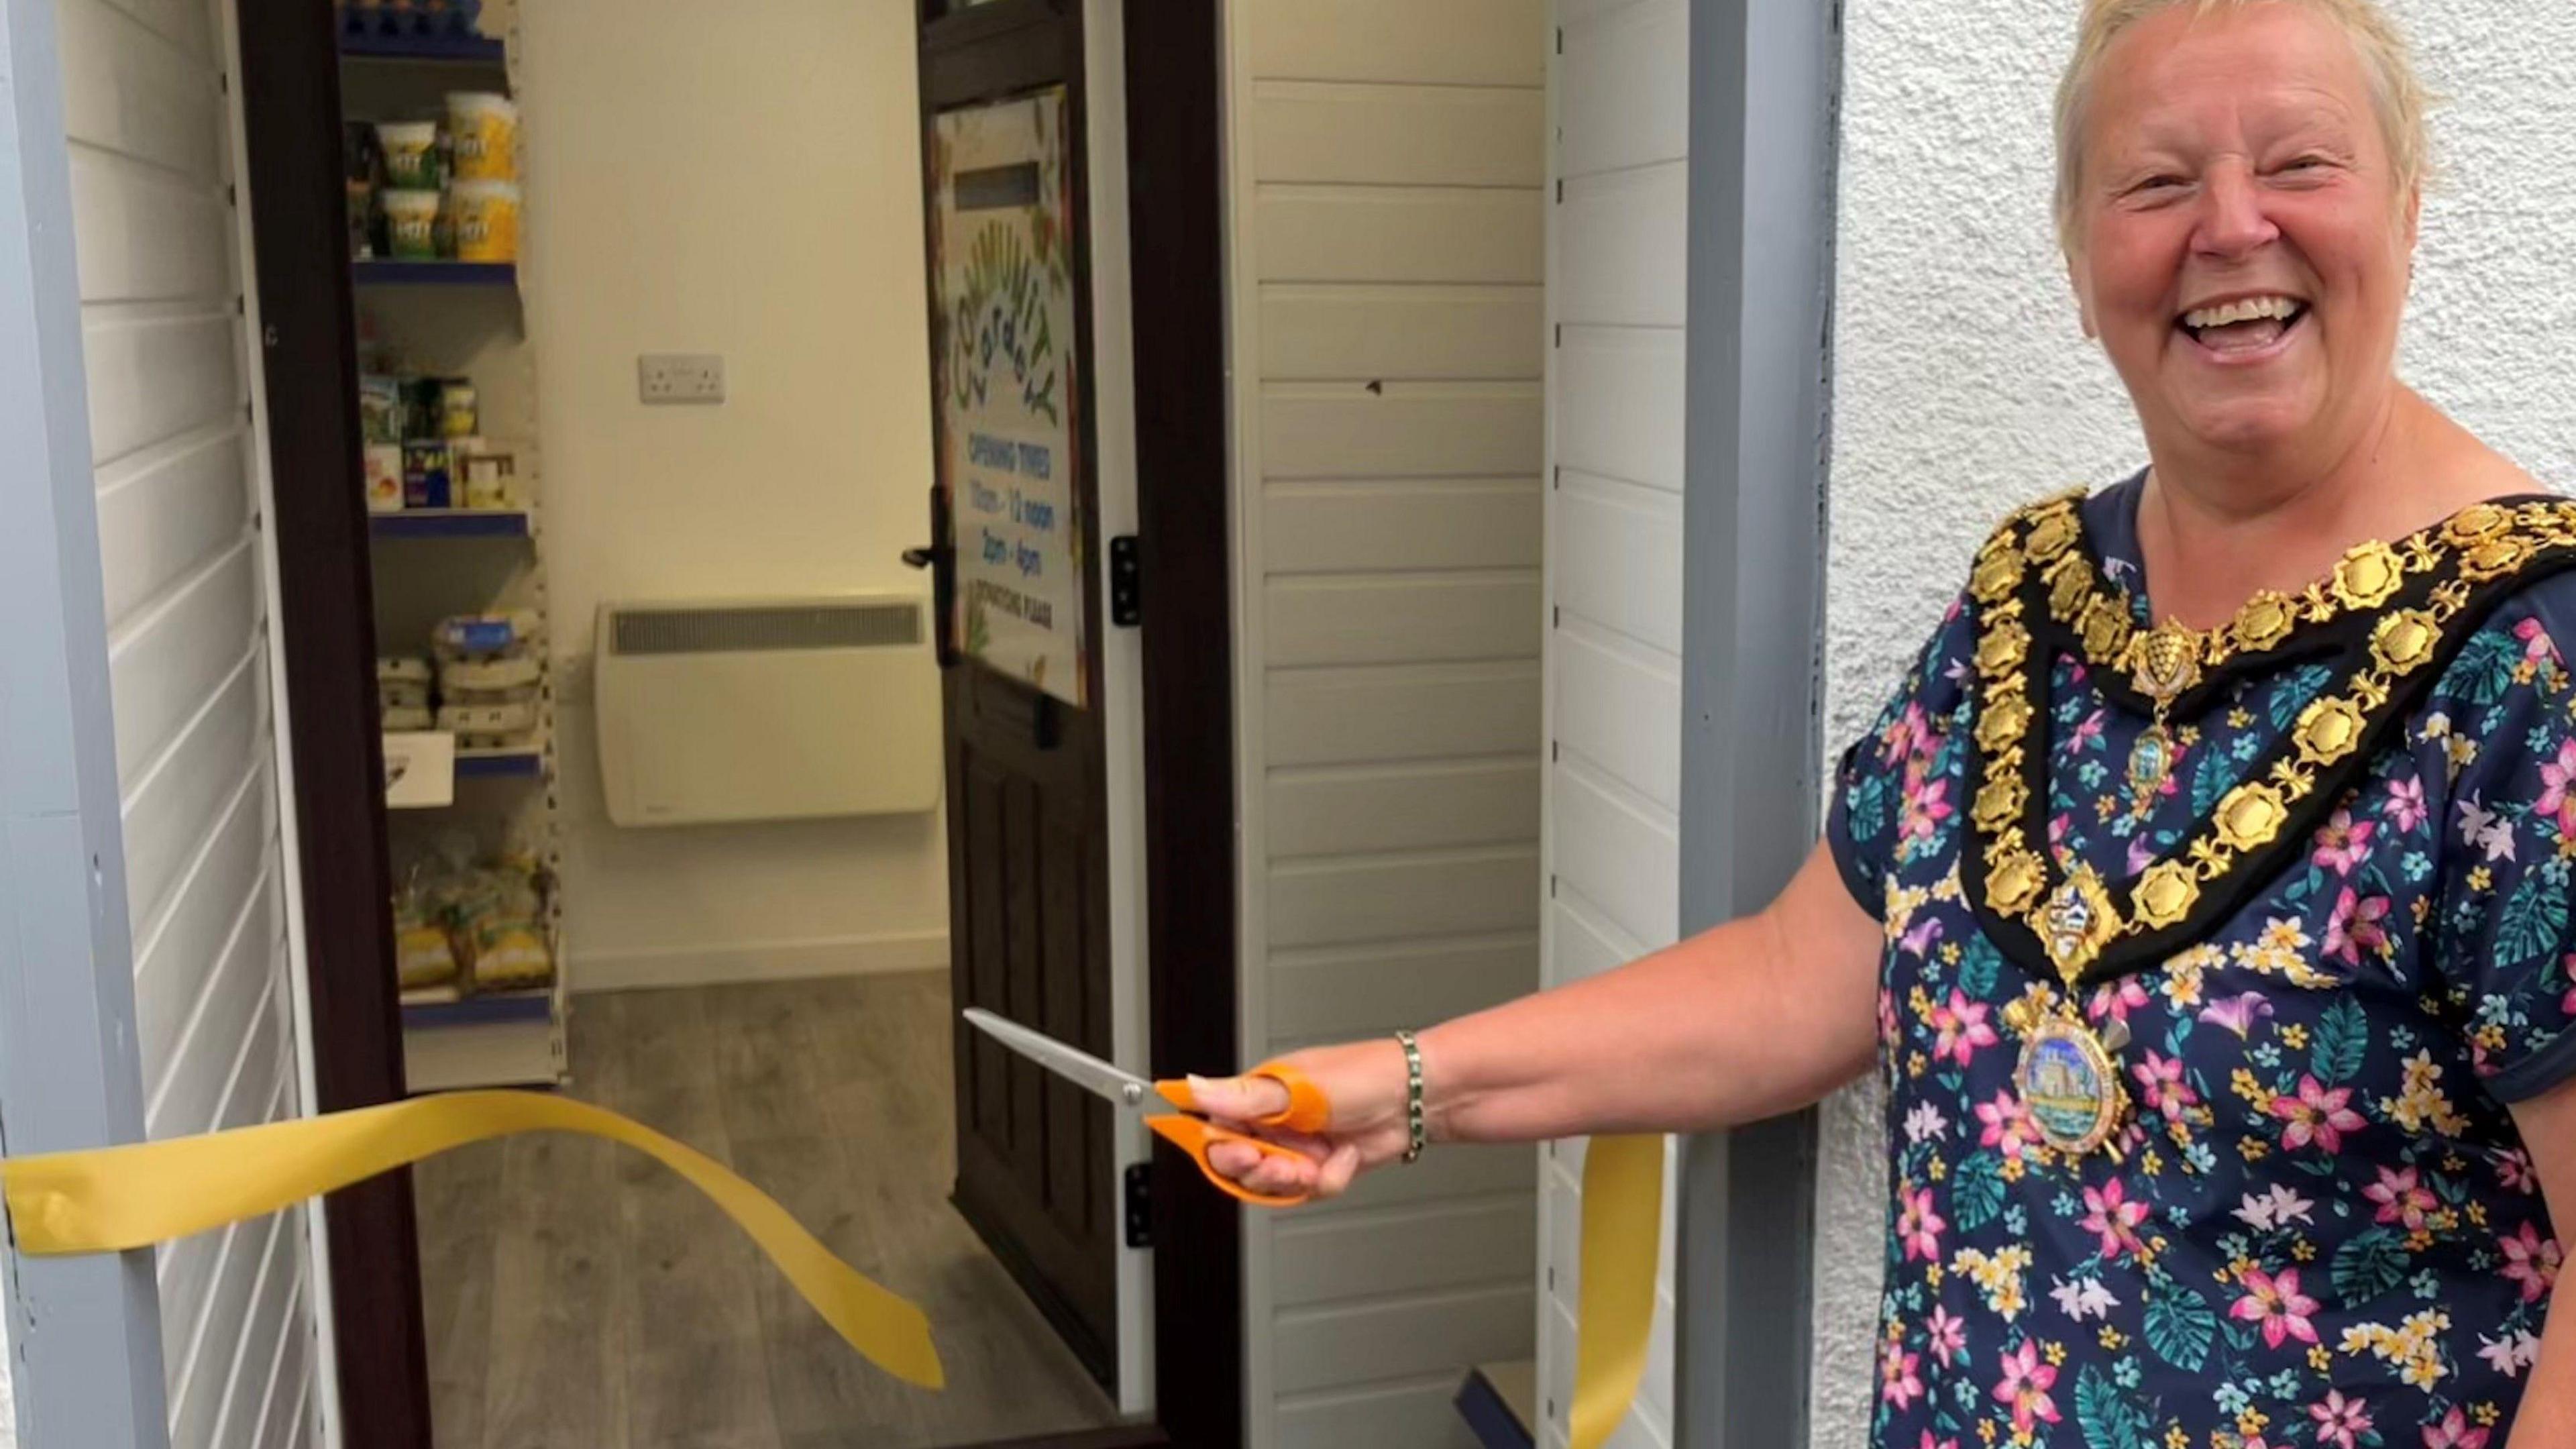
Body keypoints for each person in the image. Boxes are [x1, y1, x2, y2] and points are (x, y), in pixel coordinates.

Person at [1191, 1, 2575, 1443]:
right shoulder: (2034, 607)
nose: (2230, 227)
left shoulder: (2531, 671)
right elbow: (1802, 975)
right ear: (2080, 257)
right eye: (2157, 182)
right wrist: (1402, 1088)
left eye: (2301, 163)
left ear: (2410, 212)